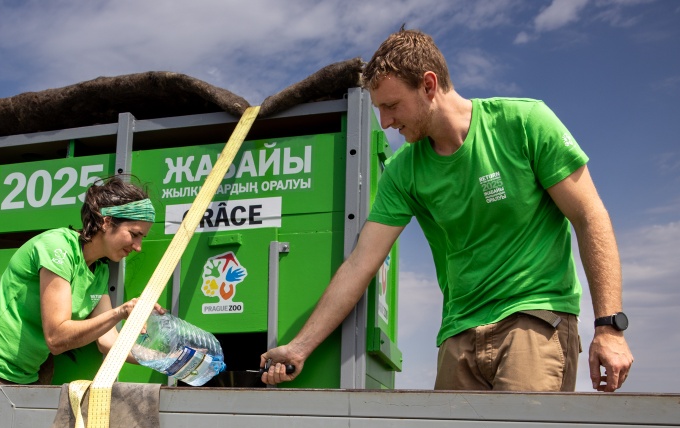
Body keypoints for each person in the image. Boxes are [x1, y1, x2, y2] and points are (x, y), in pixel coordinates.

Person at [261, 27, 633, 392]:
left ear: (428, 84)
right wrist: (300, 347)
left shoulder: (524, 124)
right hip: (458, 331)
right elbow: (361, 263)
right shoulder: (404, 170)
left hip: (534, 317)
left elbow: (589, 217)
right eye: (379, 110)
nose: (386, 123)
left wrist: (610, 327)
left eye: (391, 106)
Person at [0, 175, 159, 385]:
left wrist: (162, 359)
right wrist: (121, 312)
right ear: (107, 222)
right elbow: (56, 337)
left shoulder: (99, 271)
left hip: (23, 378)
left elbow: (107, 341)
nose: (138, 247)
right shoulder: (58, 247)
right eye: (134, 234)